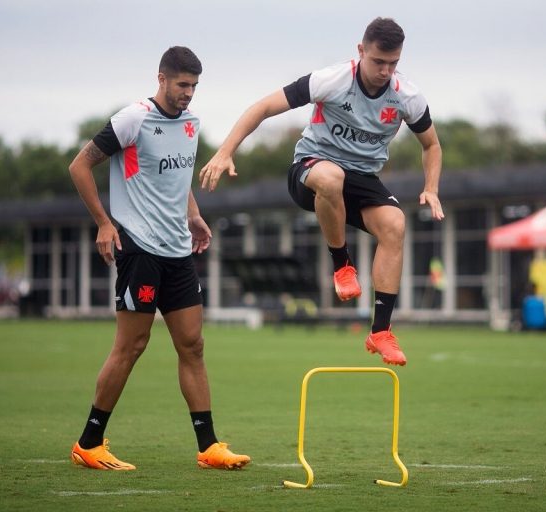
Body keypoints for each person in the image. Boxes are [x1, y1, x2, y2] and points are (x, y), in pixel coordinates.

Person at [200, 17, 444, 366]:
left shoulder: (408, 97)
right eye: (378, 61)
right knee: (331, 179)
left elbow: (432, 145)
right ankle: (342, 265)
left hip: (361, 177)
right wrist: (225, 151)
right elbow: (263, 107)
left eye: (393, 63)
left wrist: (431, 187)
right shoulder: (332, 80)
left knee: (395, 224)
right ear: (361, 51)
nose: (385, 71)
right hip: (312, 168)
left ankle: (381, 332)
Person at [68, 46, 250, 471]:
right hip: (140, 249)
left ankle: (208, 447)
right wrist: (104, 223)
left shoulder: (190, 124)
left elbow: (175, 176)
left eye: (194, 87)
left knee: (193, 345)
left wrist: (194, 216)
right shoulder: (133, 119)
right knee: (132, 345)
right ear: (162, 79)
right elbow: (79, 166)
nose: (188, 94)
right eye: (182, 84)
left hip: (177, 251)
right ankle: (88, 443)